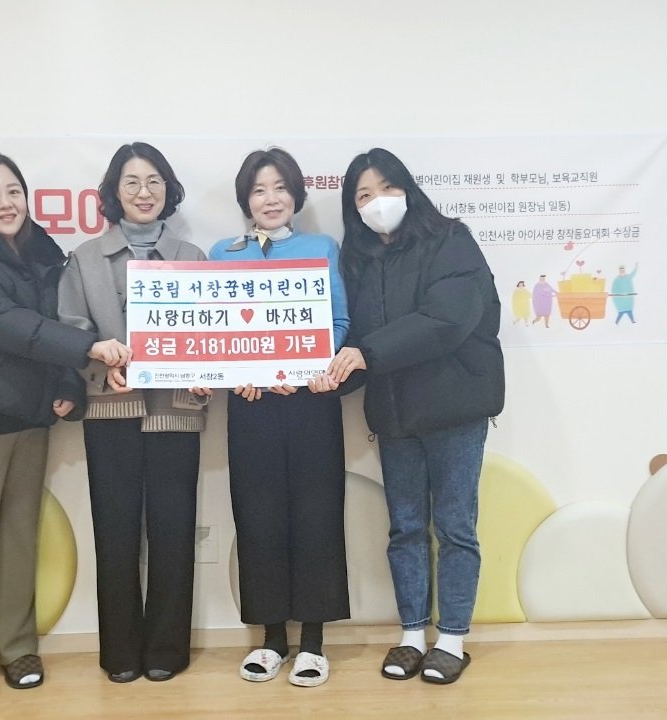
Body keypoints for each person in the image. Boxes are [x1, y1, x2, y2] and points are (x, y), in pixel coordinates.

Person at [0, 150, 131, 699]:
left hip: (31, 415)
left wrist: (69, 387)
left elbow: (54, 325)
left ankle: (17, 649)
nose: (5, 203)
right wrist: (90, 347)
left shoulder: (45, 254)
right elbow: (7, 324)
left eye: (13, 190)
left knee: (20, 539)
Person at [310, 148, 504, 685]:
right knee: (406, 529)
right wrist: (323, 377)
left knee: (455, 527)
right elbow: (357, 343)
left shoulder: (450, 240)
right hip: (395, 417)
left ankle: (453, 639)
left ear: (408, 189)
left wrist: (364, 354)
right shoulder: (360, 261)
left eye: (386, 188)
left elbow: (447, 319)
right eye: (363, 195)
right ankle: (413, 634)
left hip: (455, 410)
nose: (378, 202)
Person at [57, 142, 210, 684]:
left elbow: (210, 334)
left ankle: (167, 648)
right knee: (115, 533)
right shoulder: (84, 258)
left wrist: (206, 371)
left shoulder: (192, 257)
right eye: (131, 182)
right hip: (110, 409)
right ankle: (119, 651)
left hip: (176, 411)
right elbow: (71, 332)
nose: (144, 193)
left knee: (174, 532)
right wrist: (99, 363)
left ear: (168, 190)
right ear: (114, 193)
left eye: (153, 182)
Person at [209, 147, 350, 688]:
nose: (271, 199)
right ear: (245, 199)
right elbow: (213, 331)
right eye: (259, 190)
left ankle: (313, 642)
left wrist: (308, 366)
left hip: (312, 399)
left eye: (280, 188)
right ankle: (271, 640)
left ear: (296, 195)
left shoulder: (322, 247)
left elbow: (338, 321)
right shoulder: (223, 254)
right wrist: (236, 373)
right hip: (251, 404)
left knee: (317, 514)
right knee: (258, 515)